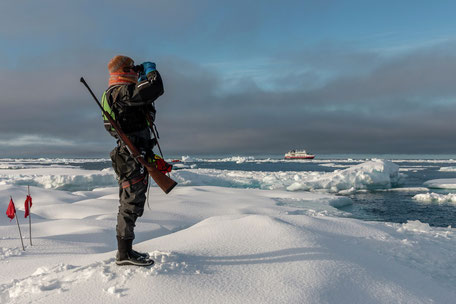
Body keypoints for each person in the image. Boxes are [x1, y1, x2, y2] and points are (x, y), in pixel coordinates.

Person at [102, 55, 164, 266]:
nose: (136, 73)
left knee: (133, 204)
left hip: (135, 154)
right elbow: (155, 88)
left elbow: (146, 104)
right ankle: (124, 254)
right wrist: (150, 72)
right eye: (133, 69)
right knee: (129, 204)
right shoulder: (119, 92)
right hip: (130, 157)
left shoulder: (121, 94)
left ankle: (126, 251)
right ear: (125, 71)